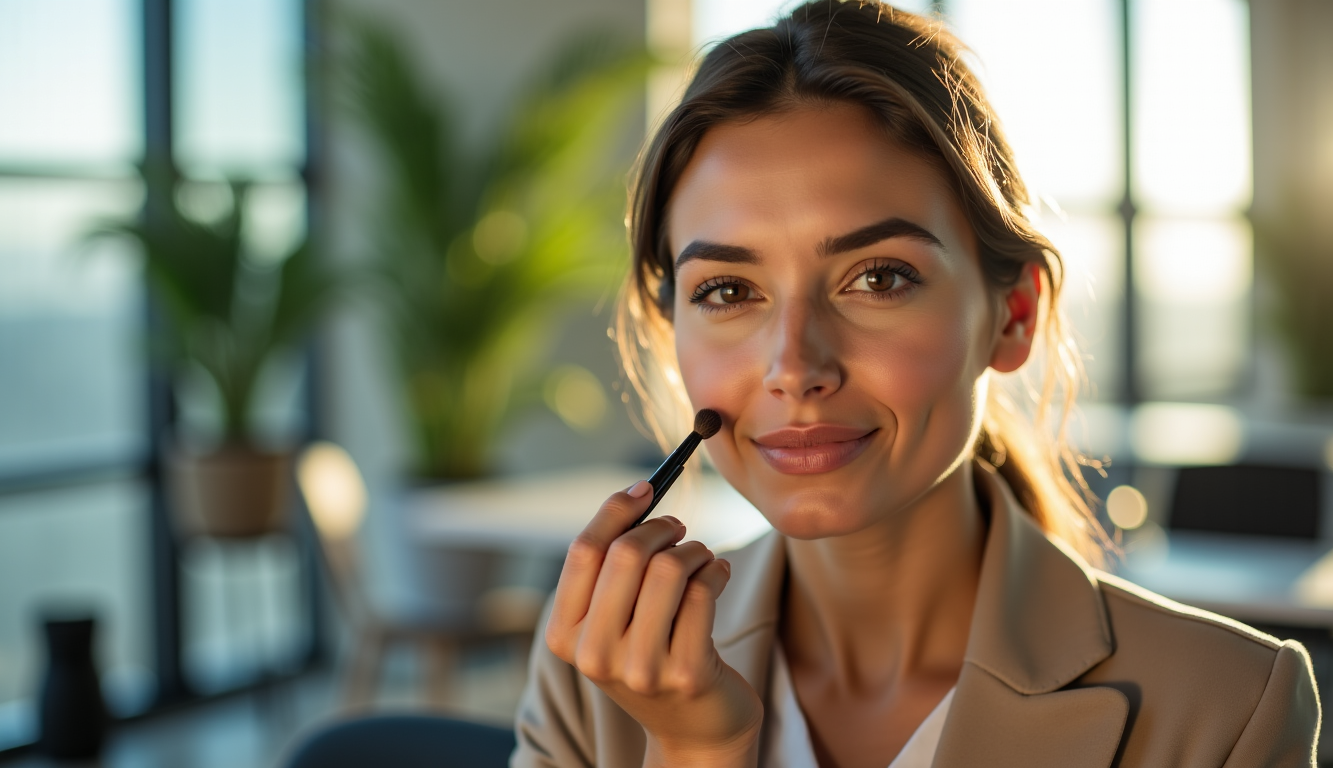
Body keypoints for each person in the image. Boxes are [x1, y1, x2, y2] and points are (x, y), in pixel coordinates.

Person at [511, 2, 1322, 766]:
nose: (795, 367)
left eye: (879, 278)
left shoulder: (1228, 709)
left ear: (1013, 316)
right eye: (727, 291)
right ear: (671, 332)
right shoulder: (595, 672)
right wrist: (693, 751)